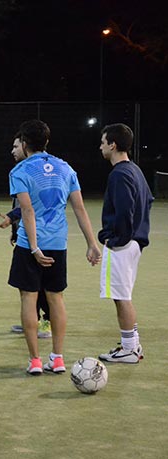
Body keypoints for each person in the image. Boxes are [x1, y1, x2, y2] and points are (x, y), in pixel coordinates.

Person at [7, 119, 101, 376]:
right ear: (46, 142)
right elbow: (79, 208)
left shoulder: (20, 171)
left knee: (29, 297)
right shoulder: (65, 168)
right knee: (56, 298)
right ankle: (57, 358)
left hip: (30, 246)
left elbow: (26, 210)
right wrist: (92, 243)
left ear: (24, 144)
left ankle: (35, 361)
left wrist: (35, 247)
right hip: (58, 244)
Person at [97, 123, 153, 363]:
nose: (100, 146)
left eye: (103, 142)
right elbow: (148, 200)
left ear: (113, 144)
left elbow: (125, 211)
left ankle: (129, 349)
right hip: (133, 243)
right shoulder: (135, 170)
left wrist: (115, 238)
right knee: (122, 294)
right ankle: (133, 345)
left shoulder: (119, 173)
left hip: (123, 244)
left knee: (121, 296)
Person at [0, 133, 52, 339]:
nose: (13, 150)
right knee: (27, 284)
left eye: (16, 146)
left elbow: (33, 207)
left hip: (42, 237)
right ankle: (32, 321)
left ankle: (47, 322)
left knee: (43, 285)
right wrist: (13, 225)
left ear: (25, 146)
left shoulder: (37, 172)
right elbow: (22, 207)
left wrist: (13, 218)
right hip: (25, 236)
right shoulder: (22, 172)